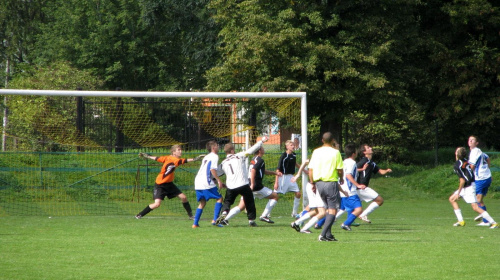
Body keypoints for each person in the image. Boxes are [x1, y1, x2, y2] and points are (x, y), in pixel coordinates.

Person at [135, 145, 204, 219]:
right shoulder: (173, 159)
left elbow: (157, 158)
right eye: (179, 150)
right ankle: (139, 215)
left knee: (183, 197)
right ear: (174, 152)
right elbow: (183, 160)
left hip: (169, 184)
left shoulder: (169, 158)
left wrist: (148, 156)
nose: (181, 151)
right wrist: (194, 159)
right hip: (160, 184)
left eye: (181, 150)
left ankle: (191, 216)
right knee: (157, 204)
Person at [215, 136, 269, 227]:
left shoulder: (223, 163)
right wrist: (261, 141)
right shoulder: (239, 156)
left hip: (231, 186)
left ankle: (224, 212)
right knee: (249, 201)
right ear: (232, 151)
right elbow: (252, 150)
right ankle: (251, 220)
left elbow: (215, 174)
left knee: (227, 201)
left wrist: (219, 182)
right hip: (243, 184)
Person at [219, 145, 280, 224]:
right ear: (259, 151)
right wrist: (252, 184)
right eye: (262, 148)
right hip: (256, 186)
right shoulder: (260, 160)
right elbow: (253, 170)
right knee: (275, 196)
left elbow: (262, 170)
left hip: (248, 185)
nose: (263, 149)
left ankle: (225, 219)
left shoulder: (254, 159)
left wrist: (275, 173)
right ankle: (264, 216)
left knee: (241, 206)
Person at [307, 132, 344, 242]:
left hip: (319, 183)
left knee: (328, 209)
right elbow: (340, 169)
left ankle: (329, 235)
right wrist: (341, 178)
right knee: (333, 210)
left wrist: (312, 183)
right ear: (333, 140)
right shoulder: (335, 152)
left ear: (322, 140)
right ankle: (322, 235)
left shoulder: (316, 152)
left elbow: (311, 169)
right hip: (330, 182)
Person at [449, 147, 498, 229]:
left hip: (469, 187)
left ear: (456, 153)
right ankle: (461, 221)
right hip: (469, 185)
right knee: (451, 199)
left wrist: (458, 193)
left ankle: (494, 223)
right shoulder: (466, 161)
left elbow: (462, 181)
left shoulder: (457, 165)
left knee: (475, 207)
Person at [192, 140, 226, 228]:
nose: (218, 147)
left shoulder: (206, 157)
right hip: (205, 182)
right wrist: (218, 180)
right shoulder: (214, 156)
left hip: (198, 182)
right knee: (219, 198)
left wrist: (213, 180)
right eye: (217, 145)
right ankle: (215, 220)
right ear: (213, 147)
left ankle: (195, 223)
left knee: (202, 202)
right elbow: (212, 169)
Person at [356, 144, 392, 223]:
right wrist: (361, 169)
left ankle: (335, 219)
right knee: (380, 200)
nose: (371, 148)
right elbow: (353, 169)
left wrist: (386, 170)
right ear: (364, 152)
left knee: (349, 207)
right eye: (368, 148)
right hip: (361, 187)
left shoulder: (371, 162)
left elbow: (380, 171)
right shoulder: (363, 161)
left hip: (359, 188)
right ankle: (363, 215)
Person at [339, 143, 367, 231]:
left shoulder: (344, 162)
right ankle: (346, 223)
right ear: (354, 153)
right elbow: (348, 175)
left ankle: (320, 223)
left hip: (343, 189)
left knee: (341, 209)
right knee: (359, 209)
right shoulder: (352, 162)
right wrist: (358, 185)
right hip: (350, 190)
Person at [468, 135, 493, 226]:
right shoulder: (479, 151)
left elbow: (472, 166)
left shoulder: (474, 152)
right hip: (486, 177)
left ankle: (482, 214)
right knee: (480, 199)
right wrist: (488, 170)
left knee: (476, 198)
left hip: (481, 178)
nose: (470, 141)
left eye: (473, 140)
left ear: (477, 143)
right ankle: (485, 221)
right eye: (469, 139)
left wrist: (468, 174)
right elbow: (487, 158)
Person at [274, 140, 302, 217]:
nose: (293, 146)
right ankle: (266, 213)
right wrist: (276, 182)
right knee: (275, 195)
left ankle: (294, 213)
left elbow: (295, 163)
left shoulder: (294, 155)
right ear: (287, 147)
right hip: (283, 177)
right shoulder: (283, 156)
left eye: (293, 145)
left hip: (291, 177)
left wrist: (304, 170)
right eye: (291, 145)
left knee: (298, 193)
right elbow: (278, 169)